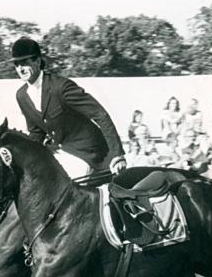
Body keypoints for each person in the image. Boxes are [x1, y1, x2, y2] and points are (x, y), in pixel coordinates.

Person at [11, 37, 126, 178]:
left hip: (88, 153)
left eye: (24, 63)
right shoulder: (21, 96)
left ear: (37, 61)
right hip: (61, 152)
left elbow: (100, 114)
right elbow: (36, 133)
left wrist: (117, 154)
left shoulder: (61, 87)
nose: (20, 69)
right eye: (16, 65)